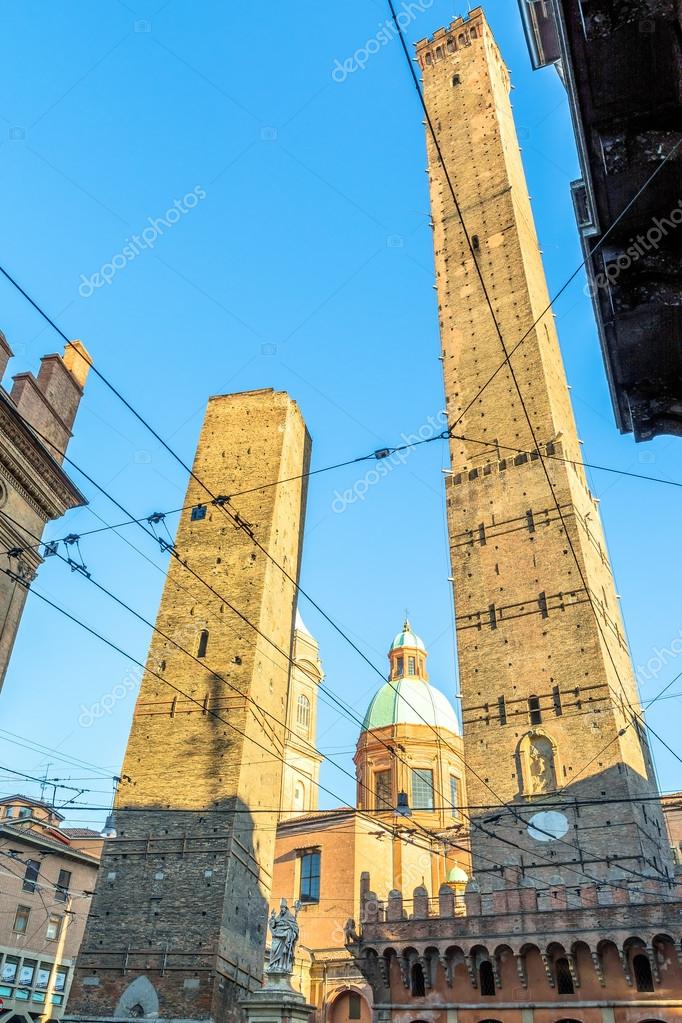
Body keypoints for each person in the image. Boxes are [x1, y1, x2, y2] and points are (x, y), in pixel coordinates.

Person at [267, 899, 300, 974]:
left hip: (285, 938)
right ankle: (274, 966)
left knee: (283, 952)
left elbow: (295, 929)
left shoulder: (290, 917)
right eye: (281, 908)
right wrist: (272, 918)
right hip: (277, 937)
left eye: (283, 908)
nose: (281, 909)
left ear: (286, 908)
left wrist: (291, 933)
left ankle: (282, 966)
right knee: (274, 951)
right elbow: (273, 925)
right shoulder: (278, 917)